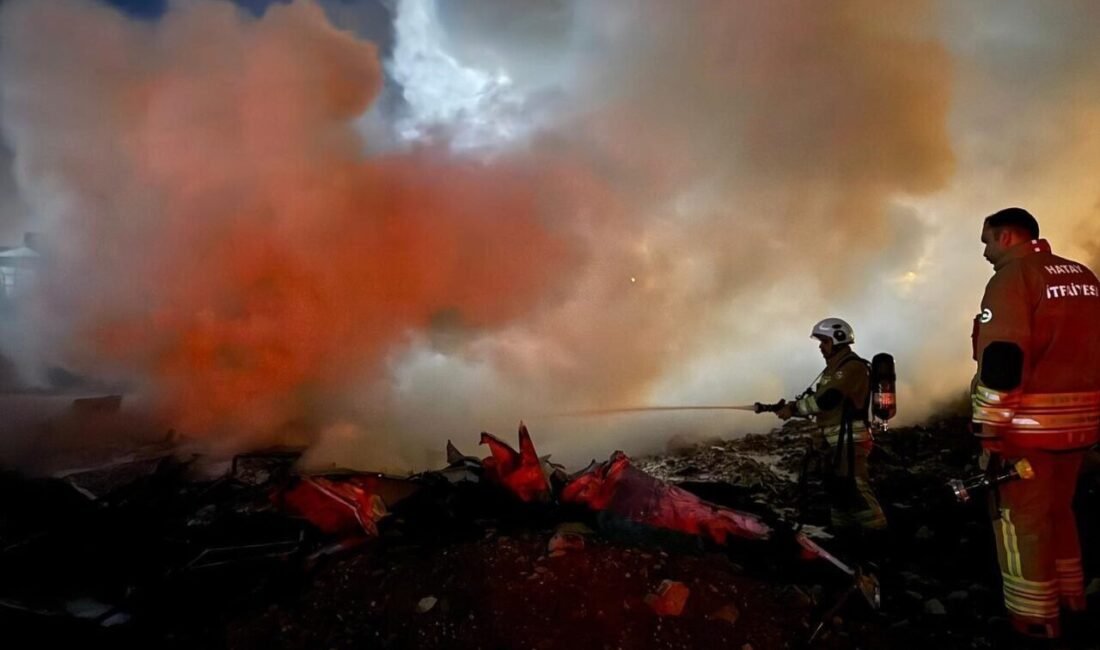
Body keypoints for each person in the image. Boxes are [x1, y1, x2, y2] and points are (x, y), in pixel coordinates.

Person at [970, 207, 1100, 640]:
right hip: (1080, 428)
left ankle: (1034, 622)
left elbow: (1002, 361)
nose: (985, 252)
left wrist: (988, 431)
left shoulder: (1012, 278)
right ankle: (1072, 601)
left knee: (1018, 523)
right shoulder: (1083, 276)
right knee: (1058, 513)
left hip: (1028, 433)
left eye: (987, 240)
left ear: (1007, 237)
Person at [775, 317, 888, 535]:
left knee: (856, 487)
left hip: (849, 440)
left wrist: (794, 409)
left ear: (837, 341)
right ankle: (844, 537)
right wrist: (792, 408)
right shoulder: (832, 370)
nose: (820, 347)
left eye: (824, 342)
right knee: (838, 490)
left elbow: (827, 400)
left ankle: (878, 537)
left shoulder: (852, 368)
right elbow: (822, 405)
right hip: (834, 442)